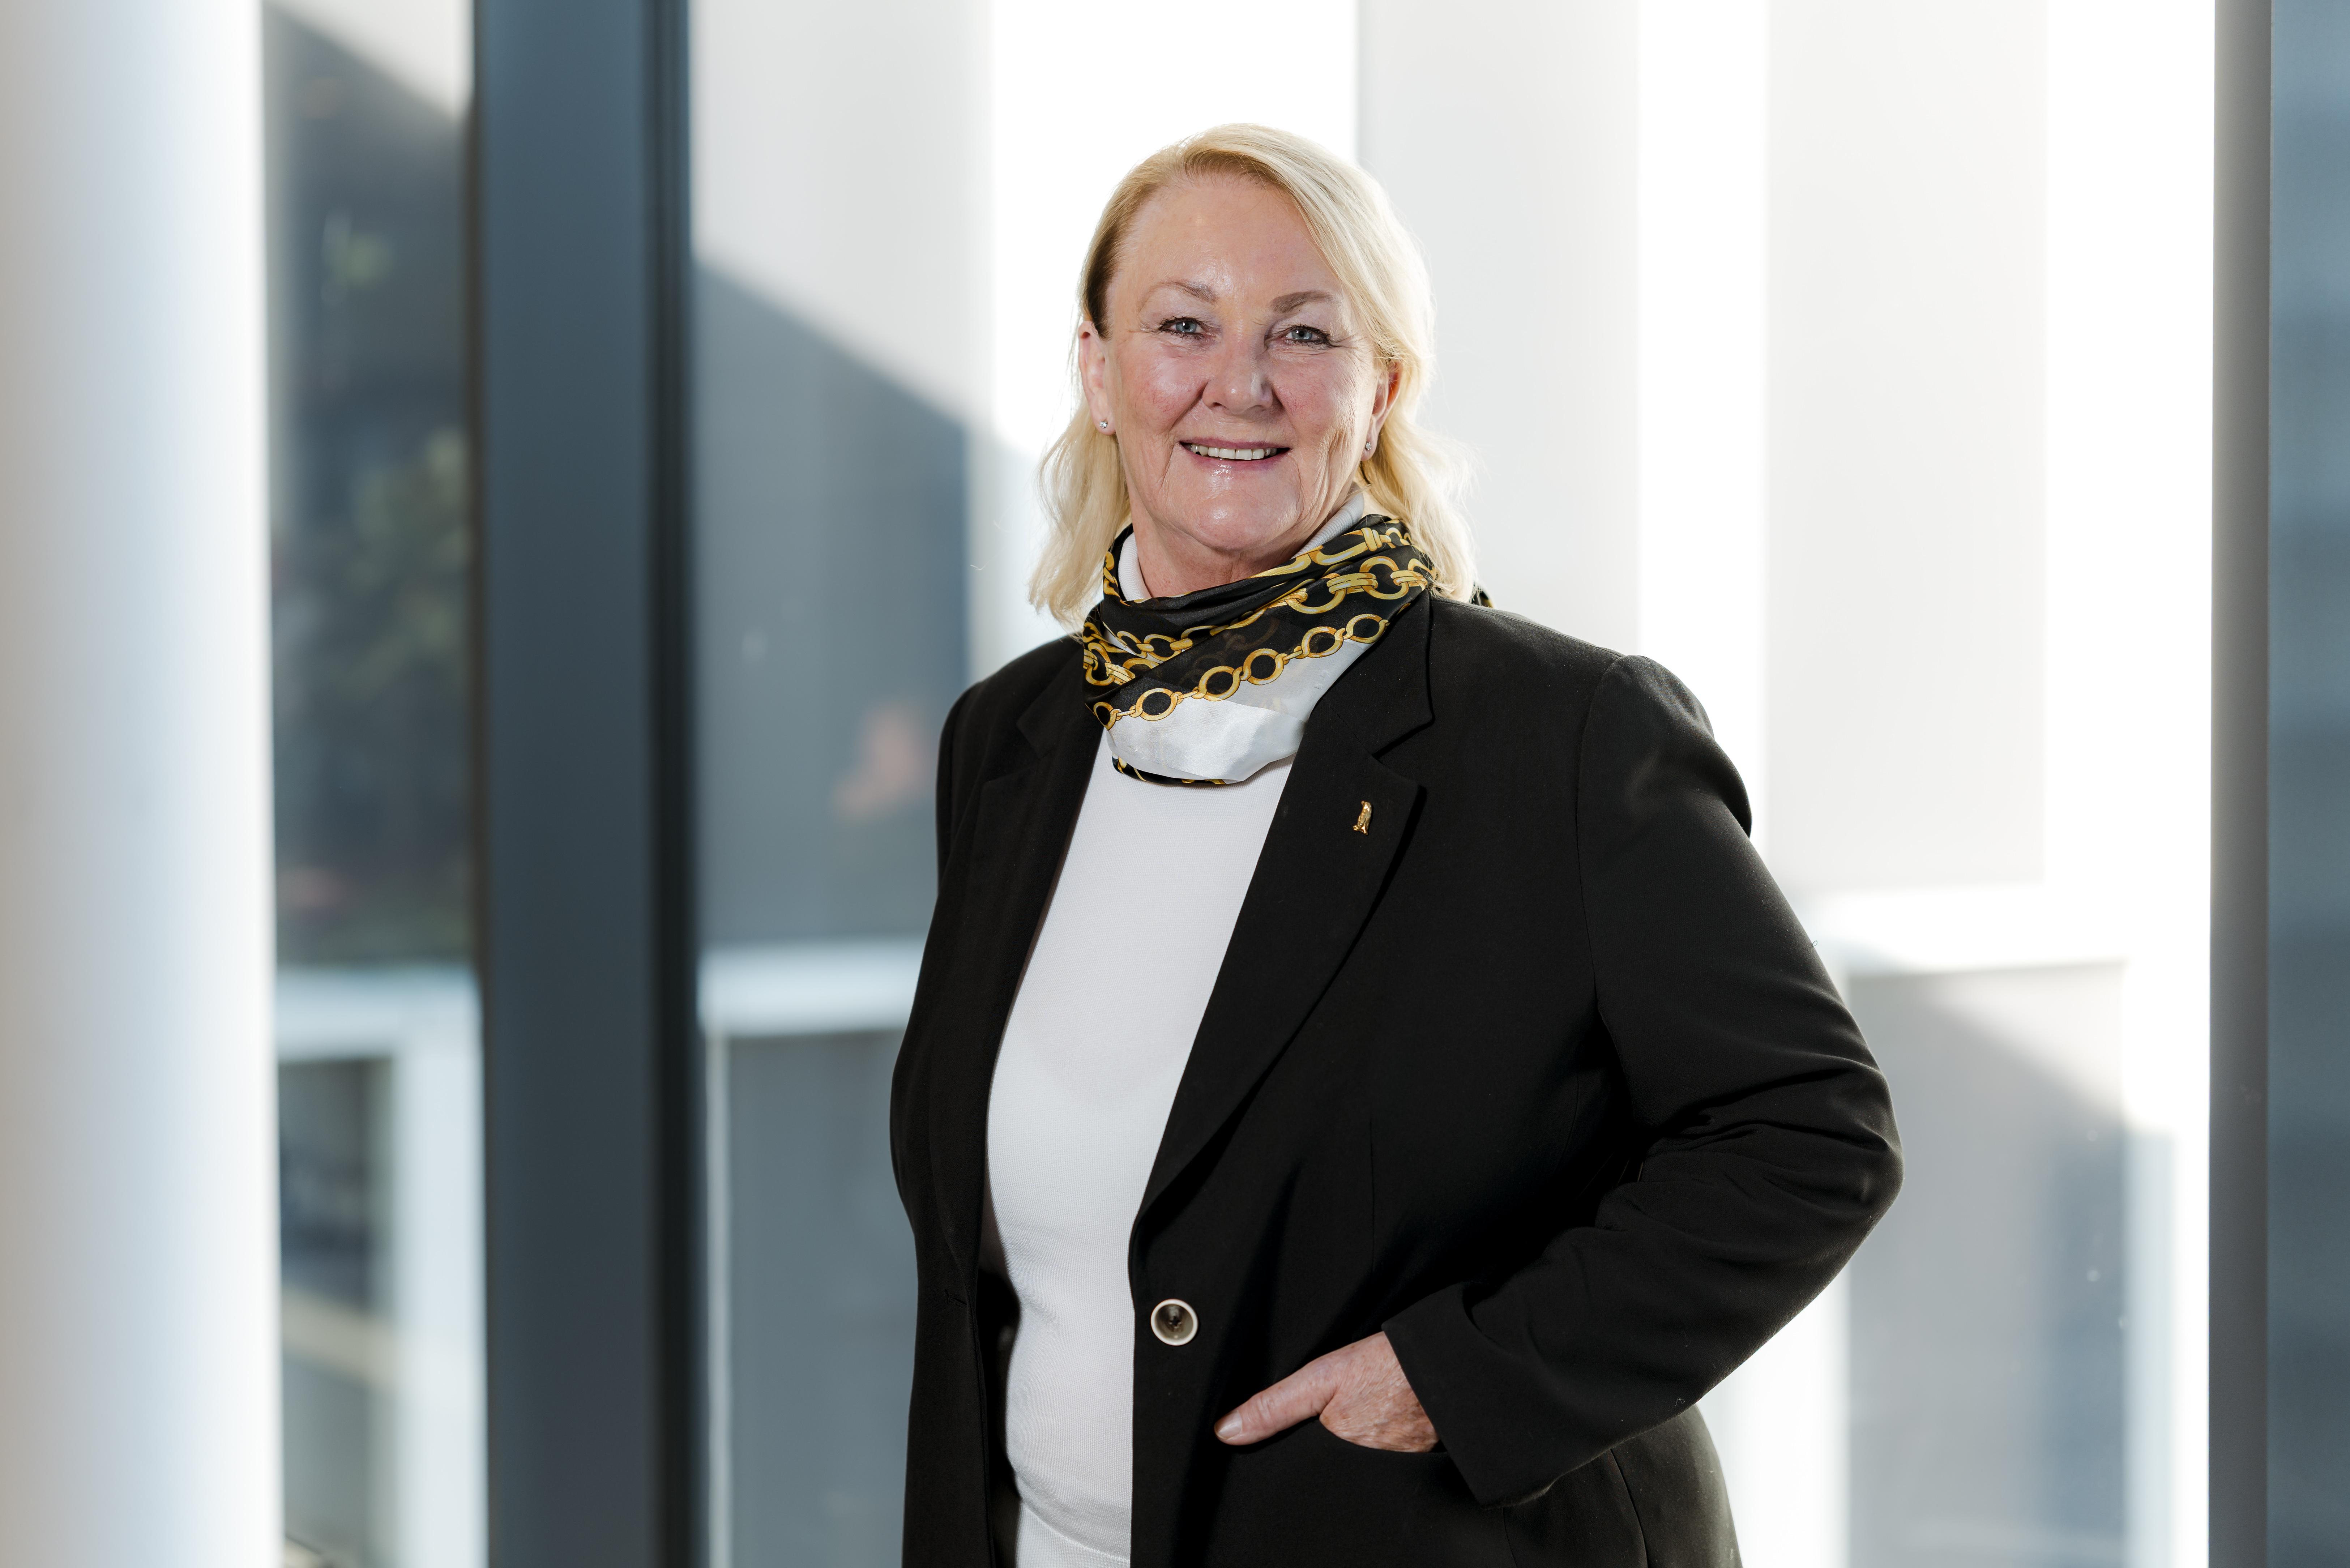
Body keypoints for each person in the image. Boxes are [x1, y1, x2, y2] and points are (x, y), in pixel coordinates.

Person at [890, 123, 1901, 1568]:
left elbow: (1807, 1134)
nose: (1239, 382)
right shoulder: (1012, 740)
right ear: (1098, 372)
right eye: (1182, 325)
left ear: (1378, 390)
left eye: (1303, 332)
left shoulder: (1559, 736)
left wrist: (1456, 1376)